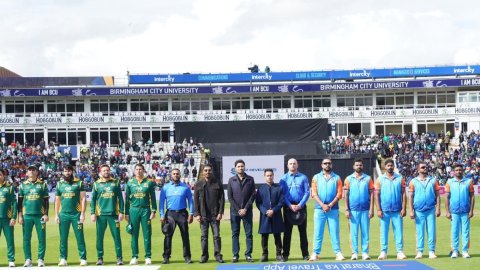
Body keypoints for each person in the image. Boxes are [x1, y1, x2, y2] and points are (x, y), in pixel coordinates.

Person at [309, 158, 345, 261]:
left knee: (334, 232)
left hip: (333, 209)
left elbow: (339, 193)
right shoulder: (316, 177)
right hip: (319, 209)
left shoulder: (337, 178)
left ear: (331, 165)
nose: (327, 165)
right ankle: (315, 253)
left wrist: (329, 205)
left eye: (329, 163)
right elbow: (314, 193)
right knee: (318, 232)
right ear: (322, 165)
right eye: (325, 163)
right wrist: (322, 205)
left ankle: (338, 253)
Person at [90, 164, 125, 265]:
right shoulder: (96, 184)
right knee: (99, 237)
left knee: (117, 237)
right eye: (104, 171)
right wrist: (92, 213)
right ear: (100, 172)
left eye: (107, 170)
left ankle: (119, 258)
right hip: (101, 215)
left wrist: (121, 212)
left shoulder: (116, 182)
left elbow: (121, 199)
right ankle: (100, 258)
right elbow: (93, 200)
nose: (106, 172)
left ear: (110, 171)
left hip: (114, 214)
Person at [159, 168, 194, 264]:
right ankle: (166, 257)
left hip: (182, 213)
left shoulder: (185, 187)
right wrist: (162, 215)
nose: (175, 175)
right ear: (171, 175)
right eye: (174, 174)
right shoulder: (165, 187)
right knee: (168, 236)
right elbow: (161, 202)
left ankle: (187, 256)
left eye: (177, 174)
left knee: (185, 236)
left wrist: (191, 213)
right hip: (170, 214)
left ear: (180, 175)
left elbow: (191, 201)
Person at [124, 164, 157, 265]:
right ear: (134, 171)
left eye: (140, 169)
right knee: (134, 234)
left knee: (147, 234)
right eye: (137, 169)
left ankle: (148, 256)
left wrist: (154, 211)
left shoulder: (149, 182)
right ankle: (134, 256)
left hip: (145, 210)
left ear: (143, 171)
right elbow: (127, 200)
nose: (138, 171)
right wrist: (126, 213)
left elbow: (153, 197)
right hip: (133, 210)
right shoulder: (129, 183)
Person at [55, 165, 87, 266]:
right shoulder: (59, 184)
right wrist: (56, 215)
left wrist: (82, 213)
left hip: (76, 215)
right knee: (63, 238)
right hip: (63, 214)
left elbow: (83, 199)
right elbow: (57, 201)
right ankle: (63, 258)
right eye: (65, 171)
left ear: (72, 172)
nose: (67, 173)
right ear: (63, 172)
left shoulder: (79, 183)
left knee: (80, 237)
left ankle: (83, 258)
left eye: (69, 171)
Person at [18, 164, 50, 267]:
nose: (31, 171)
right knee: (26, 238)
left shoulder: (43, 185)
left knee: (42, 238)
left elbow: (46, 201)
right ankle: (28, 259)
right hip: (27, 216)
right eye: (29, 170)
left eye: (33, 170)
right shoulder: (23, 185)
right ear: (26, 173)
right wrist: (20, 215)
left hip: (40, 216)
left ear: (37, 172)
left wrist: (46, 214)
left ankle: (40, 259)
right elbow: (20, 202)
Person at [375, 159, 407, 260]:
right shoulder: (380, 179)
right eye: (388, 165)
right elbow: (376, 195)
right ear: (385, 167)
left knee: (398, 231)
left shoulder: (400, 178)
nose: (390, 167)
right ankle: (383, 252)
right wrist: (378, 209)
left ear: (394, 166)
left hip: (397, 210)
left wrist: (404, 208)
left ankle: (400, 251)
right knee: (384, 232)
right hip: (384, 210)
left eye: (391, 165)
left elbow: (404, 194)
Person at [193, 164, 225, 263]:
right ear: (203, 172)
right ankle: (204, 256)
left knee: (216, 236)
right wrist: (197, 214)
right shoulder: (198, 184)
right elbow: (195, 201)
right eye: (206, 170)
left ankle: (218, 255)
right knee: (204, 237)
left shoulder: (217, 183)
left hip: (215, 215)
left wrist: (220, 212)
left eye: (209, 170)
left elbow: (222, 199)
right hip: (203, 216)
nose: (207, 172)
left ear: (212, 171)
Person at [408, 161, 441, 259]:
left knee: (431, 231)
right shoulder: (413, 181)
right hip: (418, 211)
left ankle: (431, 251)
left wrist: (438, 208)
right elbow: (410, 197)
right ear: (418, 170)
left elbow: (438, 195)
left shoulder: (433, 180)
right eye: (422, 167)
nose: (425, 169)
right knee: (420, 232)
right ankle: (420, 251)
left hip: (431, 209)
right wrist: (411, 210)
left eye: (426, 167)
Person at [279, 158, 310, 261]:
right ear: (287, 166)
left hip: (301, 207)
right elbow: (282, 194)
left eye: (294, 163)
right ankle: (285, 255)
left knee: (303, 232)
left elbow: (307, 192)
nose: (292, 165)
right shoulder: (283, 179)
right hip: (288, 207)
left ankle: (305, 254)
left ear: (297, 165)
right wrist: (290, 205)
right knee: (287, 233)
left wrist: (300, 205)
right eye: (290, 164)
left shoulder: (303, 177)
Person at [344, 158, 374, 260]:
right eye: (357, 165)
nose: (358, 167)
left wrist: (371, 209)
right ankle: (354, 253)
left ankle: (365, 253)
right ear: (353, 166)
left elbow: (372, 194)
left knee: (365, 232)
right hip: (353, 210)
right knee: (354, 233)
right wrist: (346, 209)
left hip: (365, 209)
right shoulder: (348, 179)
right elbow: (346, 195)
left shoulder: (368, 178)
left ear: (362, 166)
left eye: (360, 165)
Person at [227, 159, 256, 263]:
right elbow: (230, 197)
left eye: (242, 166)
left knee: (249, 234)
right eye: (238, 166)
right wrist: (239, 209)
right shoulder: (231, 180)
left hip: (247, 211)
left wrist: (245, 208)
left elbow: (253, 195)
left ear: (244, 167)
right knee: (235, 233)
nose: (240, 168)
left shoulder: (250, 179)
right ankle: (235, 255)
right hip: (235, 212)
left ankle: (248, 254)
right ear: (235, 168)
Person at [445, 164, 475, 258]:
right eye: (457, 170)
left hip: (465, 211)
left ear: (463, 171)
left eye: (460, 170)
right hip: (454, 211)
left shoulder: (468, 181)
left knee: (465, 232)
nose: (459, 171)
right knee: (454, 231)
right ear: (454, 171)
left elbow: (472, 197)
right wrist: (447, 211)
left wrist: (471, 210)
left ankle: (465, 251)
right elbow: (446, 197)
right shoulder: (449, 182)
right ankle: (455, 250)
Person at [255, 169, 285, 262]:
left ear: (273, 176)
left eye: (271, 175)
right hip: (265, 216)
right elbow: (258, 203)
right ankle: (264, 254)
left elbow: (281, 201)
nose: (269, 177)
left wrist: (274, 210)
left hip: (276, 215)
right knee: (264, 236)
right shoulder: (260, 189)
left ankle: (278, 254)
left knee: (277, 235)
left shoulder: (279, 187)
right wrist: (265, 211)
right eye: (267, 175)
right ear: (264, 176)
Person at [0, 170, 17, 267]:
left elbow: (14, 203)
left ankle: (11, 260)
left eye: (0, 175)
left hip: (7, 219)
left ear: (3, 176)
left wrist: (13, 217)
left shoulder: (9, 188)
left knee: (10, 240)